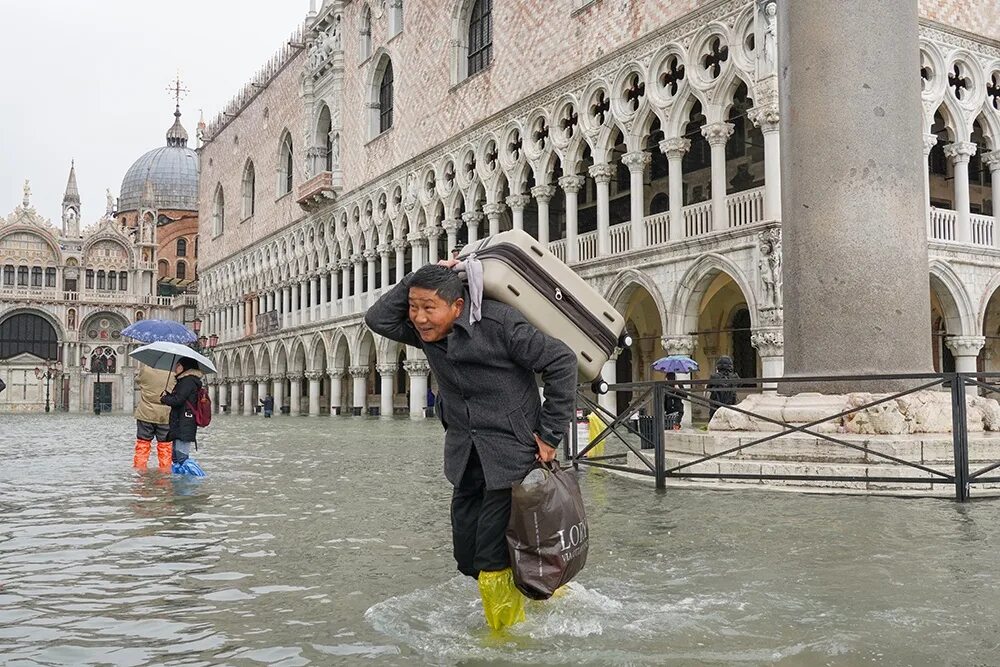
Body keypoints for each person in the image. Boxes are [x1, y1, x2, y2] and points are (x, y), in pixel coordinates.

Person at [365, 262, 577, 631]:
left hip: (513, 456)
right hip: (466, 457)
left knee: (491, 556)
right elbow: (378, 317)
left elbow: (562, 361)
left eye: (429, 307)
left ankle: (505, 637)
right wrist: (421, 277)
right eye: (414, 308)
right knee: (467, 556)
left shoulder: (500, 325)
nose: (419, 317)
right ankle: (544, 593)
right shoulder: (425, 335)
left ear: (458, 307)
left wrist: (550, 434)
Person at [159, 357, 205, 467]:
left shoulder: (188, 381)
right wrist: (169, 395)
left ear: (186, 367)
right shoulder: (184, 381)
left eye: (178, 365)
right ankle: (178, 481)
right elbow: (181, 398)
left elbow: (178, 400)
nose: (176, 368)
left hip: (184, 422)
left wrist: (164, 399)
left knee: (181, 456)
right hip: (180, 422)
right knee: (175, 456)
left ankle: (190, 480)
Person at [134, 362, 175, 471]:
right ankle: (165, 471)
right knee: (165, 446)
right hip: (165, 415)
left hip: (145, 414)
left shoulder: (146, 370)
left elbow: (138, 380)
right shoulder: (173, 372)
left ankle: (140, 469)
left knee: (142, 444)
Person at [706, 356, 739, 420]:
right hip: (731, 402)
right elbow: (739, 384)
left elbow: (708, 387)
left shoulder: (714, 376)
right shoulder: (735, 376)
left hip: (716, 403)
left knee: (714, 418)